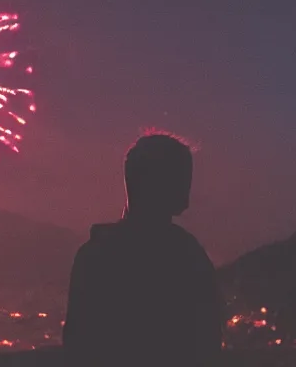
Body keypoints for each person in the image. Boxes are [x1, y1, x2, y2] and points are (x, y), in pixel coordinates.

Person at [63, 133, 223, 366]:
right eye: (182, 180)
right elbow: (207, 342)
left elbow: (78, 345)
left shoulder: (94, 255)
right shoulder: (187, 256)